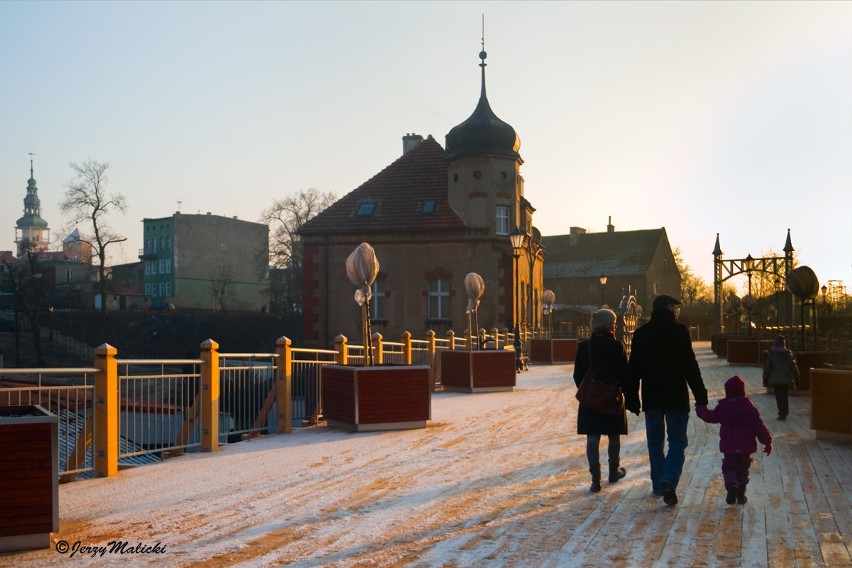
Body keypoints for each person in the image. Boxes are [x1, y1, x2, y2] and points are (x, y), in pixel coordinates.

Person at [625, 294, 708, 506]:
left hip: (652, 396)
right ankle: (668, 479)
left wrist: (632, 397)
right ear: (667, 308)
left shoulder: (641, 334)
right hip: (676, 396)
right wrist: (700, 395)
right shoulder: (679, 332)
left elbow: (633, 368)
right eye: (674, 306)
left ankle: (657, 484)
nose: (676, 310)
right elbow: (690, 366)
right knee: (677, 441)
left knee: (654, 443)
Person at [574, 308, 629, 493]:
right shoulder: (617, 346)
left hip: (590, 401)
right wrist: (623, 392)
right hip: (612, 398)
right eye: (613, 322)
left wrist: (589, 393)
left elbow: (578, 375)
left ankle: (595, 479)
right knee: (614, 436)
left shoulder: (584, 347)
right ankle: (613, 471)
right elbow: (624, 374)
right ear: (608, 325)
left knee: (592, 438)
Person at [696, 375, 772, 505]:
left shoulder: (723, 407)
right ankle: (741, 495)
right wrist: (767, 442)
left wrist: (700, 408)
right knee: (743, 471)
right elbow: (759, 427)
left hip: (730, 448)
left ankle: (732, 486)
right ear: (743, 391)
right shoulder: (750, 409)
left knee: (729, 468)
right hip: (746, 449)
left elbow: (710, 417)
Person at [763, 334, 799, 420]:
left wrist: (765, 378)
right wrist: (797, 376)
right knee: (784, 396)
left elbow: (767, 367)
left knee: (779, 396)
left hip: (776, 379)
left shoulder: (772, 354)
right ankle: (785, 412)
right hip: (786, 379)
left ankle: (781, 413)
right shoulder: (788, 354)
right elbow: (793, 366)